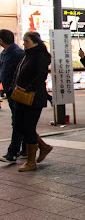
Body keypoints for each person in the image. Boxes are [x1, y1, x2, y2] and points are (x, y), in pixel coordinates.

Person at [10, 32, 52, 172]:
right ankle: (43, 146)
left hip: (33, 97)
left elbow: (41, 76)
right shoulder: (27, 55)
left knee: (28, 126)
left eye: (26, 41)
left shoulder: (40, 56)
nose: (24, 43)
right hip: (21, 95)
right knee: (21, 126)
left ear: (35, 42)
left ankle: (31, 161)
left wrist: (29, 89)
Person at [0, 29, 26, 163]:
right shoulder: (4, 53)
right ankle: (26, 148)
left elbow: (21, 73)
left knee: (17, 121)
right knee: (19, 121)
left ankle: (13, 152)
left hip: (17, 92)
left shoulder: (17, 53)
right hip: (9, 92)